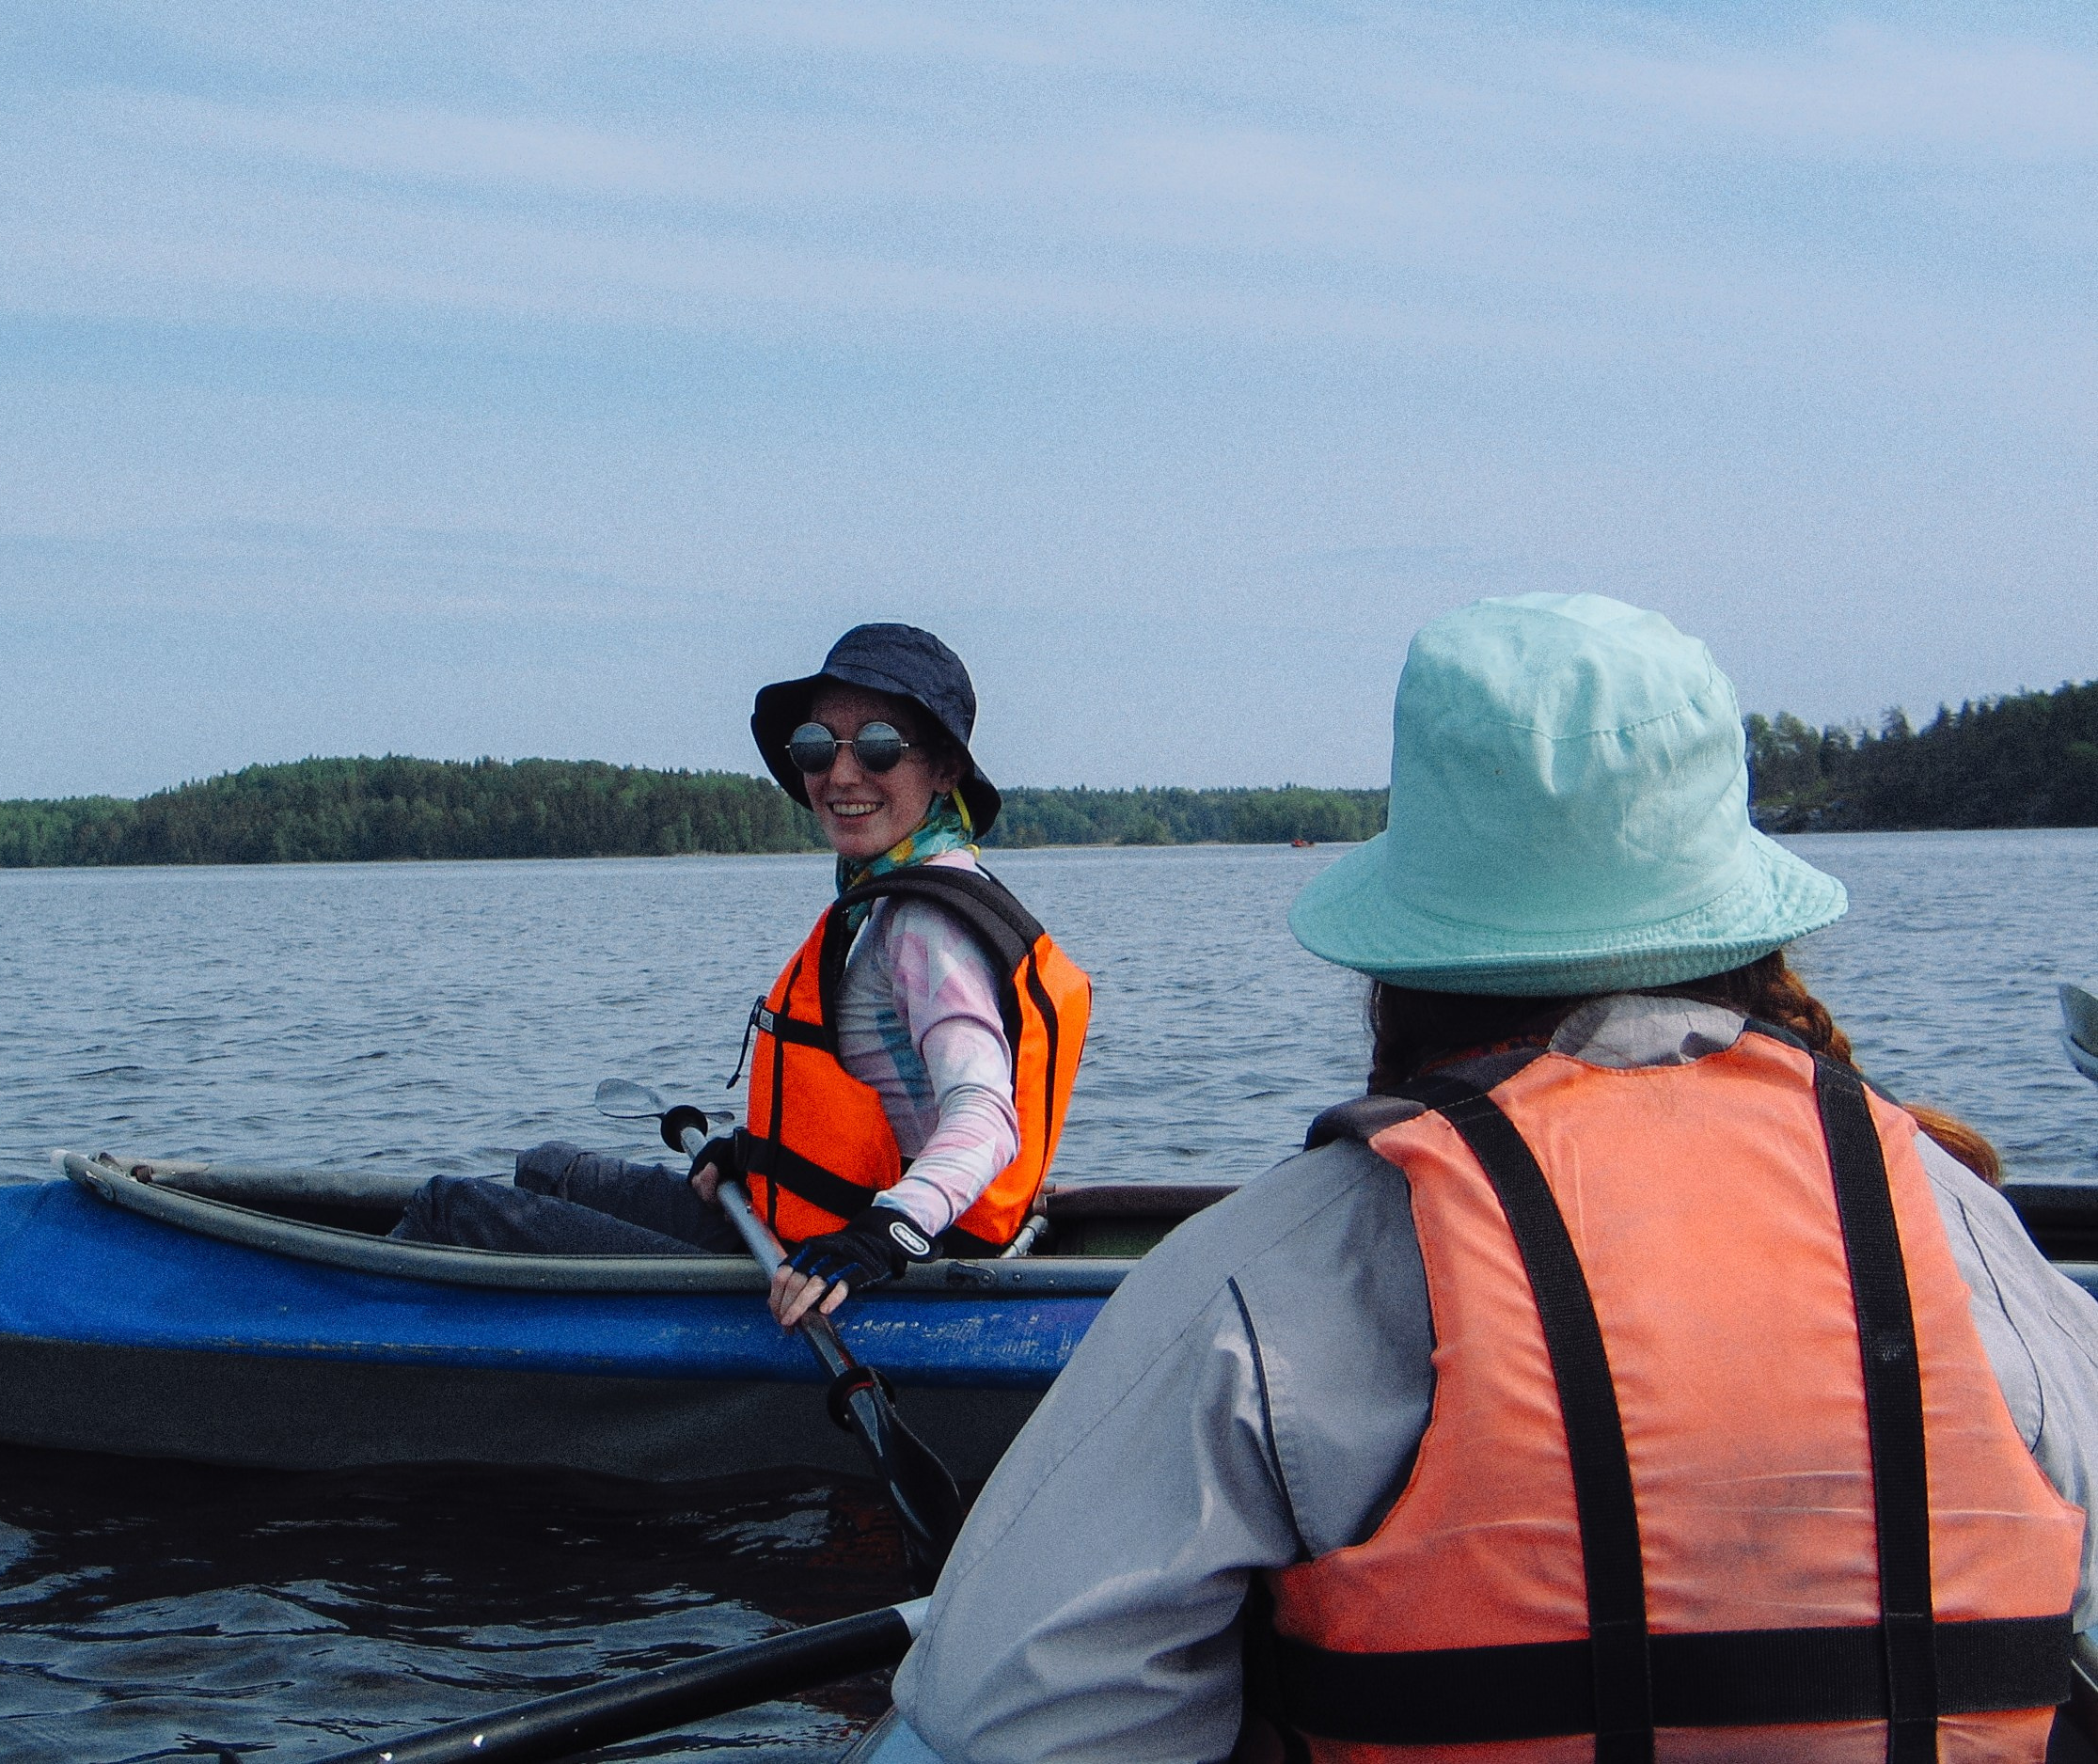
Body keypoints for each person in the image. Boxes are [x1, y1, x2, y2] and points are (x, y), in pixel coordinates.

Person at [875, 593, 2098, 1763]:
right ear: (1744, 931)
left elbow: (1003, 1723)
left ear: (1406, 960)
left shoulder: (1276, 1271)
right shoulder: (1963, 1233)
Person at [390, 622, 1090, 1329]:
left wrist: (884, 1235)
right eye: (818, 746)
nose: (841, 775)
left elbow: (985, 1117)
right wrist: (760, 1156)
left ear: (943, 769)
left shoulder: (925, 925)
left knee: (451, 1209)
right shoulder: (899, 895)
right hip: (811, 1224)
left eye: (879, 744)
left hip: (856, 1270)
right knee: (547, 1169)